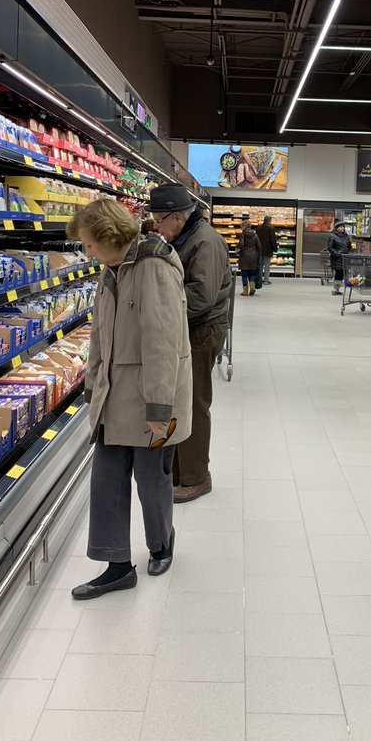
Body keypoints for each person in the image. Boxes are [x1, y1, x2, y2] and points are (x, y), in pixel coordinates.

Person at [66, 198, 192, 601]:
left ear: (108, 235)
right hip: (113, 394)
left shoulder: (154, 265)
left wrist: (160, 407)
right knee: (106, 480)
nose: (88, 252)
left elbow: (163, 341)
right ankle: (117, 564)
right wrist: (92, 385)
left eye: (89, 244)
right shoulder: (110, 271)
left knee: (151, 480)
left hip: (151, 394)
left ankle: (161, 544)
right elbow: (99, 333)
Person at [150, 184, 232, 503]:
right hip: (190, 328)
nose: (157, 227)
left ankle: (197, 477)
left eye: (159, 221)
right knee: (181, 401)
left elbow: (201, 296)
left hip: (202, 331)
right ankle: (180, 470)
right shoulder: (187, 236)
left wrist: (160, 309)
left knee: (194, 404)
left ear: (177, 216)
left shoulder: (204, 242)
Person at [328, 220, 353, 296]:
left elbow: (349, 246)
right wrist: (337, 254)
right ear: (336, 228)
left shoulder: (346, 236)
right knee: (338, 273)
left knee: (342, 273)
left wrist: (348, 253)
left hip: (345, 258)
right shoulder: (332, 236)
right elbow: (330, 247)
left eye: (343, 227)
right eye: (340, 227)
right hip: (337, 259)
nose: (342, 228)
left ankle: (337, 289)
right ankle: (335, 289)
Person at [239, 221, 261, 296]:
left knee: (244, 274)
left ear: (244, 226)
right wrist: (257, 254)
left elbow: (241, 245)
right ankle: (252, 287)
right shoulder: (255, 235)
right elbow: (259, 246)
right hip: (253, 256)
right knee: (251, 274)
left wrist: (238, 249)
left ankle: (245, 291)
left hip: (244, 256)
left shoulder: (243, 235)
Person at [255, 215, 278, 285]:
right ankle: (266, 280)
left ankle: (259, 279)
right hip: (268, 249)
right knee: (267, 265)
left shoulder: (259, 228)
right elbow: (273, 239)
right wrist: (275, 248)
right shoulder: (271, 228)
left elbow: (256, 238)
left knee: (260, 265)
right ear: (269, 220)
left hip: (259, 249)